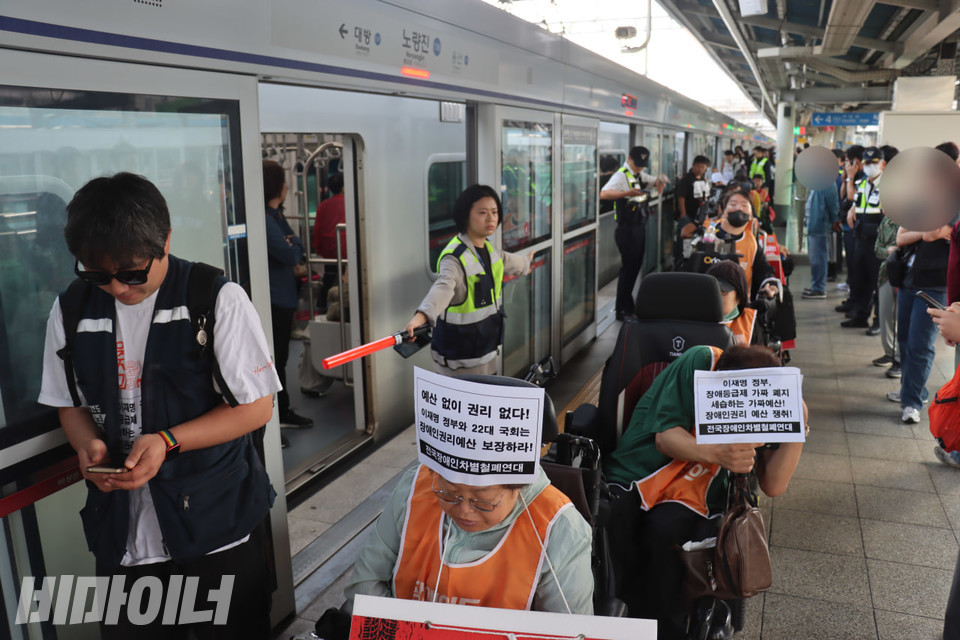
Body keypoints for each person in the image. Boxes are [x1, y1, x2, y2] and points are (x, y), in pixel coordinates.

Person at [38, 173, 279, 639]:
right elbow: (69, 403)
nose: (116, 288)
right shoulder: (71, 310)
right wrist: (89, 446)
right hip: (121, 533)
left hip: (215, 526)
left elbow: (256, 409)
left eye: (131, 272)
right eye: (95, 273)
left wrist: (168, 442)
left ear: (165, 241)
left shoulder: (213, 299)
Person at [603, 345, 804, 639]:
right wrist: (718, 453)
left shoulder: (774, 393)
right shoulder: (702, 360)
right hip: (641, 472)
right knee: (610, 521)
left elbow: (774, 485)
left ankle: (667, 629)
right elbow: (665, 438)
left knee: (668, 531)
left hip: (698, 493)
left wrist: (800, 422)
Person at [344, 464, 593, 613]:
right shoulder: (415, 487)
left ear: (519, 486)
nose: (464, 511)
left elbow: (569, 633)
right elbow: (365, 586)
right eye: (448, 493)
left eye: (482, 500)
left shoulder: (559, 529)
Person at [404, 185, 531, 375]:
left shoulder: (489, 250)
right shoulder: (454, 257)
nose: (491, 218)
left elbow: (510, 261)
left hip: (486, 351)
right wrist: (421, 317)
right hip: (458, 361)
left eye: (495, 212)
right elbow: (442, 288)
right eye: (482, 212)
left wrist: (527, 262)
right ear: (465, 215)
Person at [263, 160, 313, 429]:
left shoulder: (277, 216)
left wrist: (292, 242)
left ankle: (282, 410)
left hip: (283, 297)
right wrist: (292, 243)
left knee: (280, 356)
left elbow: (296, 244)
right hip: (274, 299)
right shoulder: (266, 220)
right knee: (276, 358)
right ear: (278, 187)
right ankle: (276, 416)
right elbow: (292, 252)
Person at [887, 222, 952, 423]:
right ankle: (912, 389)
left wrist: (925, 232)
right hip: (909, 278)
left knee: (920, 343)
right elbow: (900, 237)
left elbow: (931, 235)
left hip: (936, 284)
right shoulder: (923, 205)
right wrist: (928, 232)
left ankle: (911, 402)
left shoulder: (953, 207)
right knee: (905, 339)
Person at [599, 146, 665, 320]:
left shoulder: (638, 175)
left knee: (635, 267)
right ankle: (622, 309)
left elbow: (652, 180)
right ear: (629, 159)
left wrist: (660, 182)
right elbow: (603, 194)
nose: (640, 168)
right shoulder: (621, 175)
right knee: (628, 269)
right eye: (637, 164)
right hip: (627, 230)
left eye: (642, 165)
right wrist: (626, 193)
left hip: (638, 227)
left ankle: (628, 305)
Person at [842, 146, 885, 329]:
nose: (869, 167)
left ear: (882, 164)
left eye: (873, 163)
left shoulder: (889, 185)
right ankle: (860, 316)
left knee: (879, 284)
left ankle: (878, 322)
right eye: (867, 163)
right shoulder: (861, 184)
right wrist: (852, 210)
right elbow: (855, 202)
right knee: (860, 280)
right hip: (861, 237)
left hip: (878, 241)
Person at [312, 173, 346, 315]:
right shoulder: (350, 203)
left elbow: (317, 230)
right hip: (346, 251)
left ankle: (322, 305)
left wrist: (319, 249)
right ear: (344, 187)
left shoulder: (323, 206)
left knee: (329, 276)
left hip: (329, 251)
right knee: (345, 282)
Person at [802, 180, 841, 299]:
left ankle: (819, 288)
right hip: (814, 226)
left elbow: (833, 205)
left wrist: (835, 220)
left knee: (819, 258)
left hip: (820, 226)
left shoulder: (828, 183)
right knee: (815, 259)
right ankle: (816, 286)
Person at [706, 260, 759, 346]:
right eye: (711, 289)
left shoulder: (751, 324)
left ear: (739, 298)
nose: (715, 295)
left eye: (722, 291)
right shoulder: (693, 320)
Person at [677, 155, 711, 224]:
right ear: (693, 165)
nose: (700, 169)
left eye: (703, 167)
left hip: (699, 214)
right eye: (698, 166)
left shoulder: (703, 179)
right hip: (688, 214)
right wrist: (683, 212)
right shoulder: (686, 179)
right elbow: (681, 197)